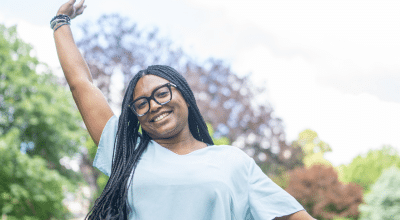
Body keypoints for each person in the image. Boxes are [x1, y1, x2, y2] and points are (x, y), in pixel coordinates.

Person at [52, 0, 316, 219]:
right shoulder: (125, 152)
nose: (154, 105)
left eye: (162, 93)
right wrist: (60, 23)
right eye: (142, 104)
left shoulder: (234, 162)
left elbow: (294, 215)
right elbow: (81, 84)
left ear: (185, 96)